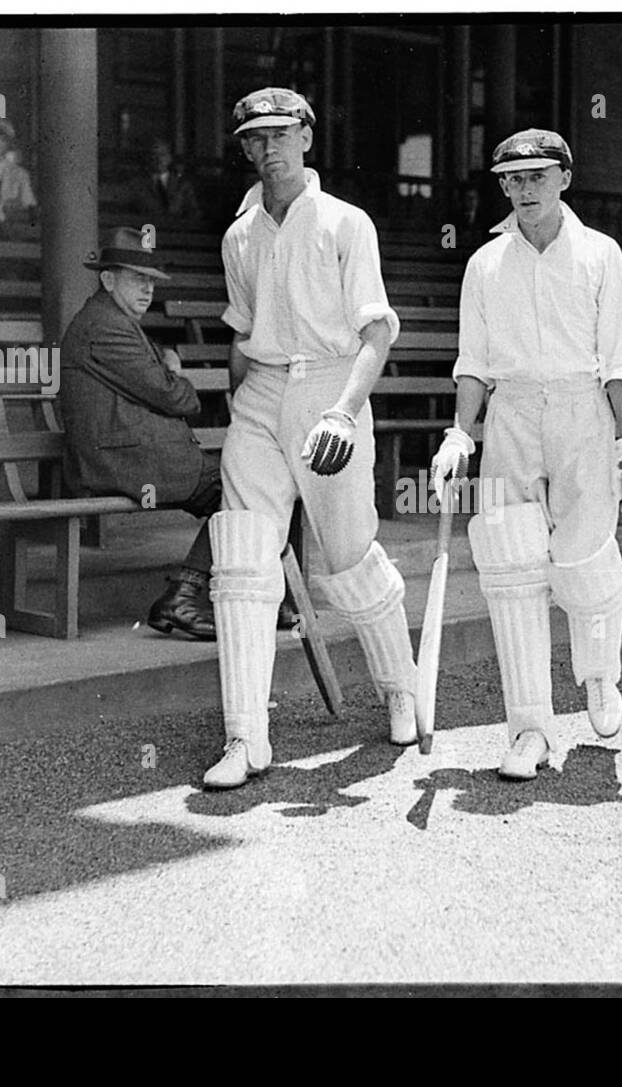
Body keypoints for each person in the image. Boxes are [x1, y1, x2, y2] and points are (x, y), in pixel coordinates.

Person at [428, 128, 622, 781]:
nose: (521, 190)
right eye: (511, 179)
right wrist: (460, 433)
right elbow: (474, 361)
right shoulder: (485, 263)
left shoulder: (600, 253)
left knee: (582, 558)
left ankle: (599, 675)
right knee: (513, 568)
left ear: (564, 177)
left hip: (583, 409)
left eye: (534, 176)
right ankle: (529, 730)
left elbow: (617, 357)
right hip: (512, 414)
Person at [203, 87, 417, 789]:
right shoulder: (239, 235)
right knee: (240, 555)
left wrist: (343, 412)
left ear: (306, 139)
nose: (268, 150)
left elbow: (377, 333)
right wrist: (244, 409)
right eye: (254, 139)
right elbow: (241, 334)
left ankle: (400, 687)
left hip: (332, 387)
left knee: (348, 558)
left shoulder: (345, 222)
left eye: (280, 134)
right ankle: (245, 737)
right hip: (263, 392)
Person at [56, 227, 221, 640]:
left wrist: (166, 377)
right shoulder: (105, 326)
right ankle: (185, 596)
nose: (147, 290)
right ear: (108, 280)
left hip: (133, 452)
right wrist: (176, 374)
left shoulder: (113, 319)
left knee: (252, 490)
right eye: (136, 279)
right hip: (122, 461)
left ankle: (196, 594)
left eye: (150, 281)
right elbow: (173, 397)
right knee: (246, 491)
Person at [127, 138, 202, 220]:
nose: (159, 159)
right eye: (154, 155)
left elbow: (194, 213)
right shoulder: (136, 185)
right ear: (148, 158)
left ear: (170, 158)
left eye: (162, 154)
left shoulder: (183, 185)